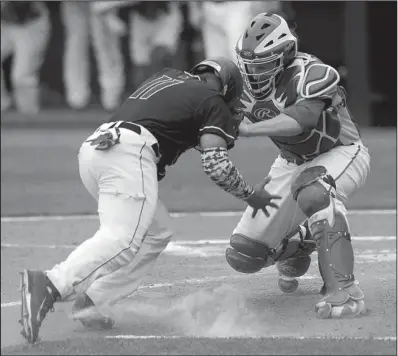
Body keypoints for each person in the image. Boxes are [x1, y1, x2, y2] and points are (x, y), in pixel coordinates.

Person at [19, 57, 281, 344]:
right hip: (130, 153)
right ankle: (49, 284)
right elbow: (216, 164)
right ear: (228, 87)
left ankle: (94, 300)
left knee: (157, 232)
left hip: (96, 150)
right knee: (123, 239)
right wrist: (250, 195)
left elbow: (178, 116)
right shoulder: (213, 101)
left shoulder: (168, 76)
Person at [225, 13, 371, 319]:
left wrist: (249, 129)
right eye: (250, 65)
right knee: (244, 254)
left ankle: (344, 290)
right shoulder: (242, 86)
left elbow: (301, 120)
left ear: (286, 55)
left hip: (342, 152)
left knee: (313, 190)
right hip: (291, 161)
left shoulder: (315, 72)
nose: (255, 73)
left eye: (264, 64)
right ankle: (302, 241)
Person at [1, 1, 50, 114]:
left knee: (21, 76)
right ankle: (3, 107)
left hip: (31, 24)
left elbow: (21, 9)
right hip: (5, 25)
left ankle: (29, 117)